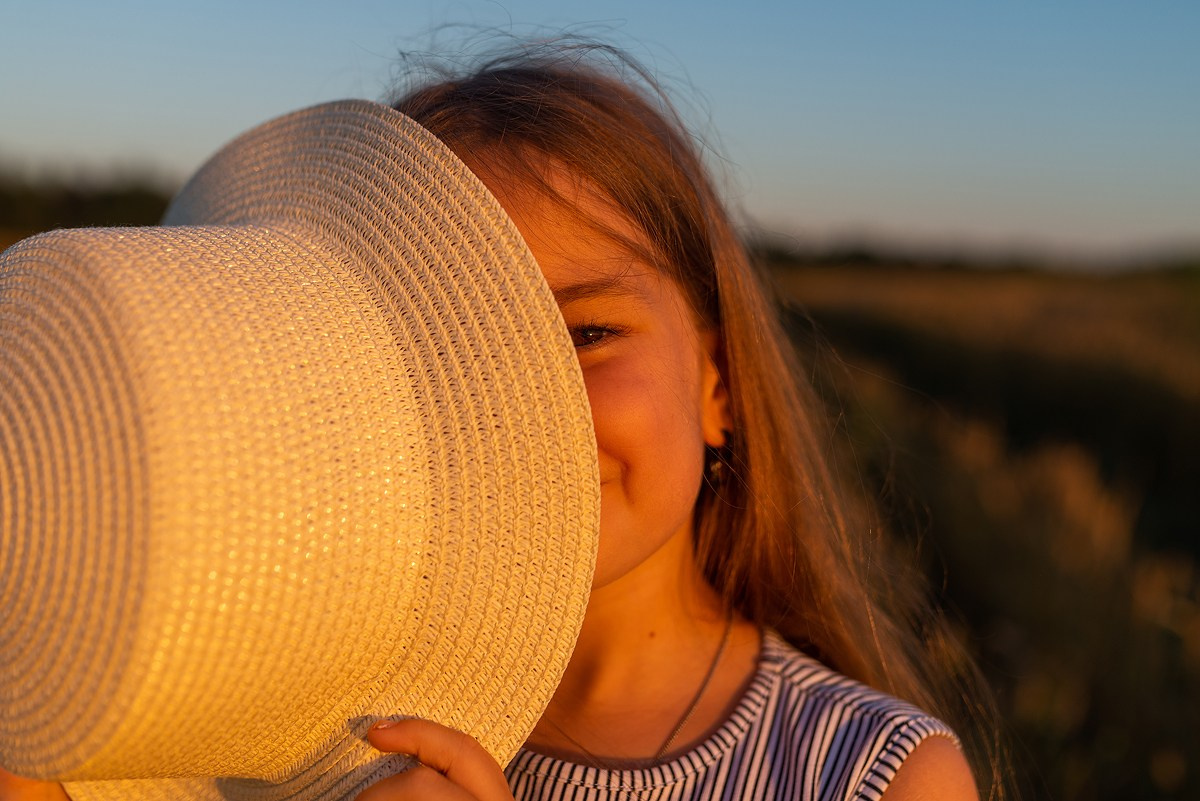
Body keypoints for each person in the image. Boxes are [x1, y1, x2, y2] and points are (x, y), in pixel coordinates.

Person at [0, 39, 997, 801]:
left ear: (720, 385)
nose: (531, 408)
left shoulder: (875, 774)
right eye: (453, 355)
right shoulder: (298, 727)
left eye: (590, 332)